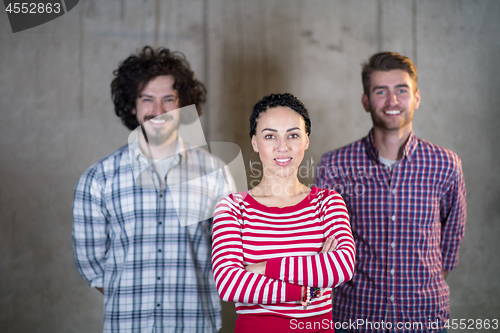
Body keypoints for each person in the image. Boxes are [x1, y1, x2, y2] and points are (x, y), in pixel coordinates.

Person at [73, 46, 234, 332]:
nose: (157, 111)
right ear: (132, 105)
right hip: (128, 324)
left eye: (168, 99)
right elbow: (93, 266)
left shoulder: (215, 173)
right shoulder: (99, 178)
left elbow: (231, 254)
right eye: (147, 99)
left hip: (195, 324)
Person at [315, 52, 467, 333]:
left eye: (401, 90)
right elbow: (322, 241)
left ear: (417, 98)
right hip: (356, 317)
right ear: (365, 101)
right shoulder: (335, 165)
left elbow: (451, 240)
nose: (392, 100)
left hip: (424, 318)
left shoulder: (446, 164)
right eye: (380, 91)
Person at [211, 93, 356, 333]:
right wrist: (308, 288)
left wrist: (263, 267)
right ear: (255, 143)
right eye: (270, 136)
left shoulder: (328, 203)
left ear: (306, 141)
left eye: (293, 135)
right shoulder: (232, 208)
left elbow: (341, 267)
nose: (282, 147)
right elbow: (229, 284)